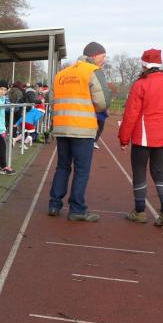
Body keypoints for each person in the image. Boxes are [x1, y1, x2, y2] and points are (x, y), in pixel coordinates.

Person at [118, 48, 163, 227]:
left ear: (144, 65)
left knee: (139, 170)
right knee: (159, 171)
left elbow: (131, 114)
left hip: (144, 135)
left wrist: (124, 139)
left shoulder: (141, 84)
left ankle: (140, 211)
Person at [47, 41, 111, 221]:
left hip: (62, 127)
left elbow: (52, 98)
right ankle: (77, 209)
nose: (104, 60)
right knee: (81, 170)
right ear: (94, 55)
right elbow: (103, 102)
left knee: (62, 166)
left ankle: (54, 204)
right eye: (103, 56)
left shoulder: (62, 73)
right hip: (82, 128)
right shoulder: (92, 71)